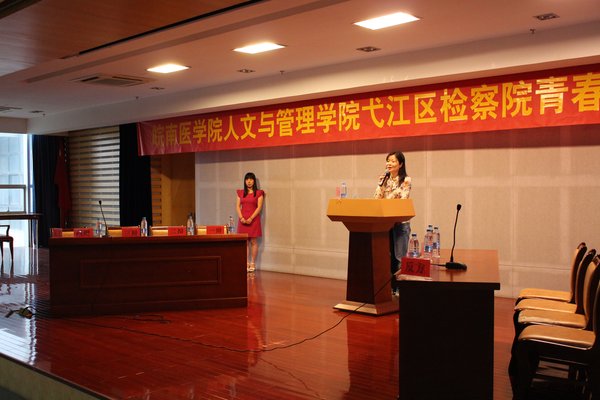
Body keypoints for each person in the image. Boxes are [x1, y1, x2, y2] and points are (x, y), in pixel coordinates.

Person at [374, 151, 411, 295]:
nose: (389, 163)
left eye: (393, 161)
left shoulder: (406, 180)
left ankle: (400, 289)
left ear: (400, 164)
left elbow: (403, 199)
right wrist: (380, 185)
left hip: (400, 224)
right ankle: (389, 288)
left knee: (399, 258)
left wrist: (388, 200)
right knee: (388, 257)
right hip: (385, 223)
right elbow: (377, 199)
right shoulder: (384, 180)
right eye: (388, 161)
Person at [236, 172, 265, 272]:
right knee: (244, 242)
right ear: (245, 181)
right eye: (247, 179)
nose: (249, 181)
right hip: (242, 220)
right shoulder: (240, 193)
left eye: (251, 179)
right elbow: (237, 206)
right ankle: (246, 262)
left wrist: (251, 218)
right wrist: (241, 218)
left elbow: (259, 207)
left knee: (253, 241)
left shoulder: (259, 193)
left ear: (254, 181)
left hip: (254, 219)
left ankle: (252, 262)